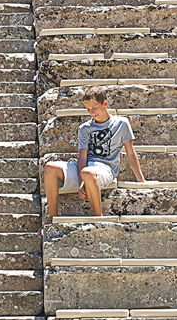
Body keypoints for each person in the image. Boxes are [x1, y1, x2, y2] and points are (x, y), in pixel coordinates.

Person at [43, 85, 145, 221]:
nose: (91, 112)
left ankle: (98, 217)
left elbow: (131, 153)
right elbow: (82, 156)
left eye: (94, 108)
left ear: (105, 104)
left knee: (88, 173)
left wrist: (141, 180)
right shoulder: (84, 128)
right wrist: (80, 181)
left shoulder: (121, 123)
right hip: (84, 168)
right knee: (50, 167)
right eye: (88, 109)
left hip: (105, 168)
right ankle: (52, 217)